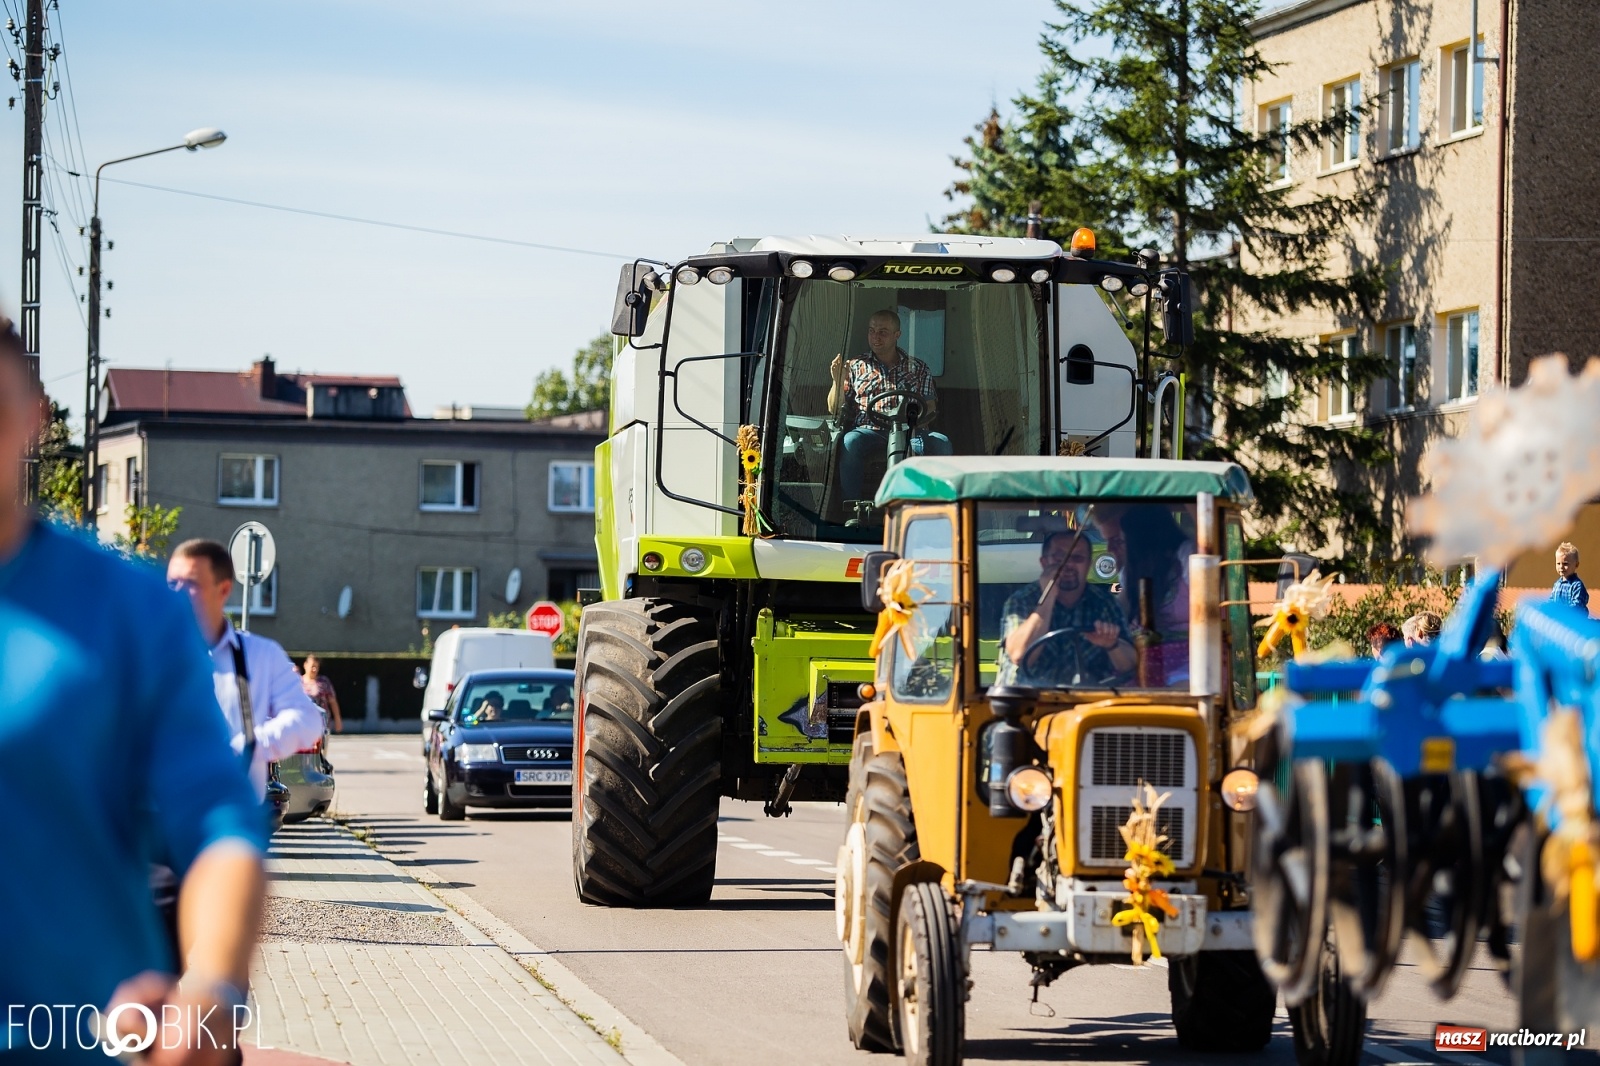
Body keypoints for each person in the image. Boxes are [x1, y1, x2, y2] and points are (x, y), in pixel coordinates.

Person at [0, 318, 268, 1061]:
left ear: (34, 419)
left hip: (79, 1038)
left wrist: (212, 987)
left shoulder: (130, 609)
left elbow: (219, 820)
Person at [167, 540, 326, 801]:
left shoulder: (261, 656)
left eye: (192, 584)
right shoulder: (145, 652)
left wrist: (249, 746)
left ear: (224, 590)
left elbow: (307, 720)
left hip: (231, 822)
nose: (179, 593)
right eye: (173, 584)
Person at [827, 309, 952, 498]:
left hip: (910, 430)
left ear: (897, 335)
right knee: (850, 442)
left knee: (942, 443)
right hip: (869, 430)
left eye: (883, 332)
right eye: (871, 331)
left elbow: (930, 407)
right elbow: (833, 408)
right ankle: (850, 507)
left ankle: (942, 504)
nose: (875, 337)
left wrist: (915, 427)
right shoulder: (855, 366)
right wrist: (837, 380)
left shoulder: (918, 368)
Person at [997, 531, 1135, 686]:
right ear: (1044, 563)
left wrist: (1112, 644)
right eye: (1059, 558)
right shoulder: (1022, 600)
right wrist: (1047, 597)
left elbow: (1130, 665)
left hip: (1087, 703)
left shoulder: (1105, 604)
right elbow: (1019, 655)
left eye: (1077, 558)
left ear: (1088, 565)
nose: (1068, 565)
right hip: (1027, 701)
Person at [300, 654, 343, 733]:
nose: (314, 669)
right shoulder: (298, 682)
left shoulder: (324, 682)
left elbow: (332, 701)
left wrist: (337, 719)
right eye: (312, 666)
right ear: (305, 665)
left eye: (317, 667)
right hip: (303, 723)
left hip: (321, 724)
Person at [1552, 541, 1590, 614]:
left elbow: (1577, 606)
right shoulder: (1557, 584)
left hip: (1574, 621)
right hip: (1560, 619)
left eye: (1565, 564)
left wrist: (1562, 610)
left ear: (1576, 565)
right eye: (1558, 563)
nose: (1561, 567)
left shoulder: (1577, 586)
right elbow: (1552, 601)